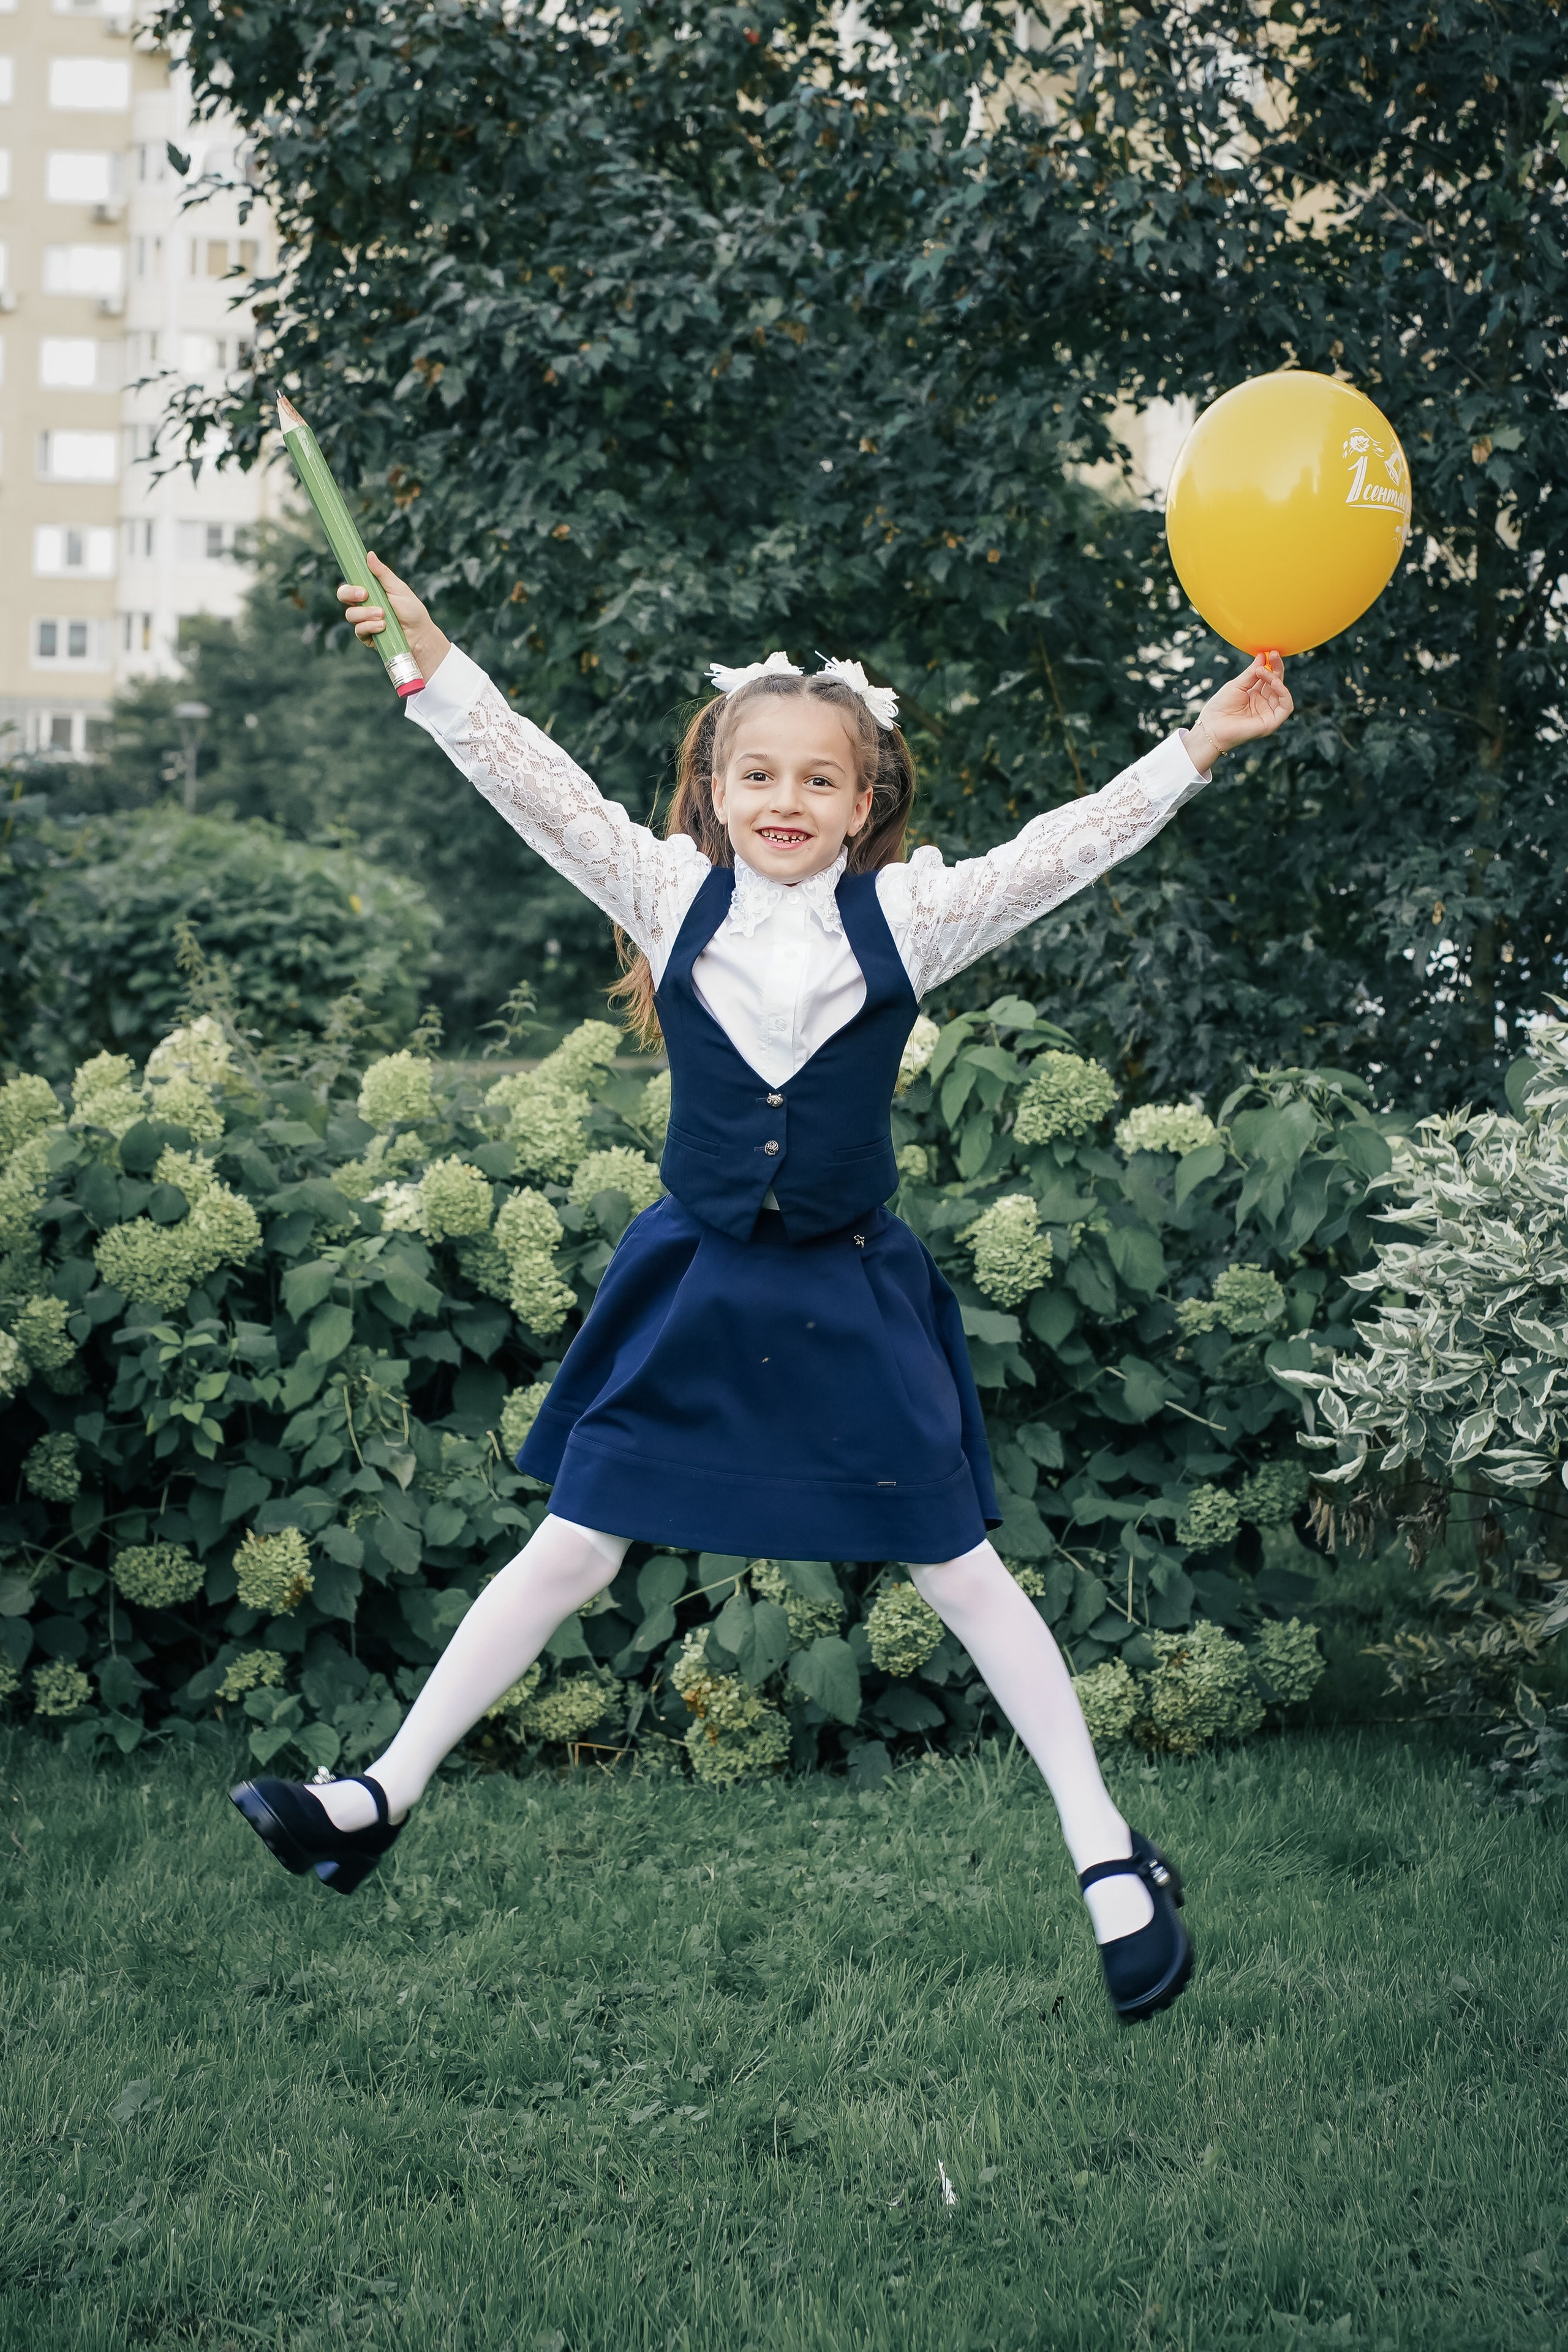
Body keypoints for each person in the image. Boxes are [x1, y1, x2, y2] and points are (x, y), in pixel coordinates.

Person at [232, 553, 1292, 2022]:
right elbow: (525, 778)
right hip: (696, 1291)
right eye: (755, 776)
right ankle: (376, 1796)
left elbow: (1068, 846)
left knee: (960, 1576)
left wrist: (1197, 744)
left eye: (816, 781)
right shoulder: (668, 895)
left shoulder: (913, 918)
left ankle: (1108, 1859)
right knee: (568, 1551)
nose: (783, 802)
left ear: (865, 804)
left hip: (852, 1299)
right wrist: (426, 650)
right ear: (712, 790)